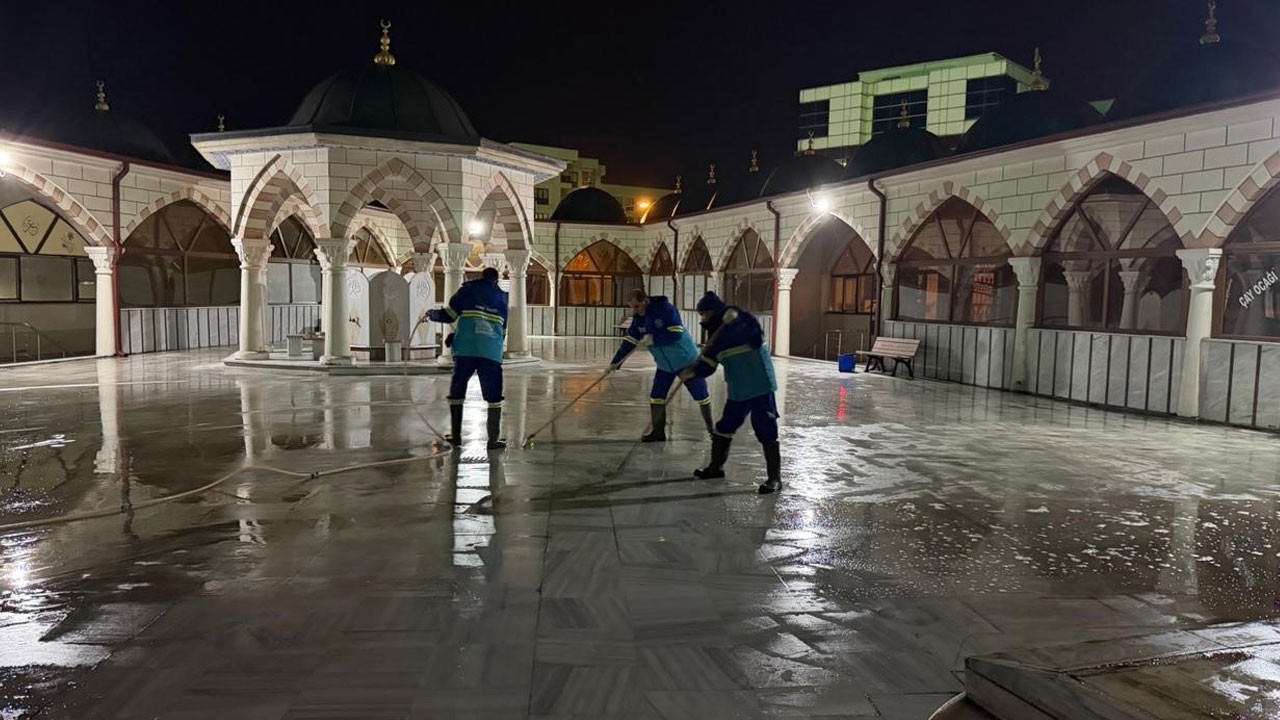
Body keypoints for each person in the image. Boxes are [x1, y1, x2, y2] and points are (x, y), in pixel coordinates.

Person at [678, 291, 782, 494]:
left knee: (765, 427)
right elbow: (709, 365)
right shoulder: (716, 333)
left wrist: (728, 330)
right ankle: (715, 468)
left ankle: (774, 479)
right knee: (725, 426)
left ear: (712, 312)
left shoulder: (739, 320)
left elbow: (753, 334)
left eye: (704, 314)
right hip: (738, 387)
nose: (703, 319)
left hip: (759, 383)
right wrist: (692, 371)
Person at [608, 288, 714, 442]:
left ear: (645, 301)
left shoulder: (665, 309)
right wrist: (616, 362)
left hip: (686, 360)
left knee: (701, 395)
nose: (635, 310)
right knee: (657, 396)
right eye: (632, 307)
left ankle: (712, 430)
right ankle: (658, 433)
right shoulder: (638, 318)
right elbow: (631, 340)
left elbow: (676, 333)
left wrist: (654, 340)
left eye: (637, 306)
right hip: (664, 364)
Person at [428, 267, 508, 450]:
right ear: (496, 280)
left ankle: (456, 438)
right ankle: (493, 440)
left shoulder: (468, 290)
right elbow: (502, 331)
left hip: (466, 350)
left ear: (481, 277)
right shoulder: (502, 299)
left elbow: (449, 315)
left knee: (457, 391)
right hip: (491, 352)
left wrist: (432, 315)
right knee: (494, 397)